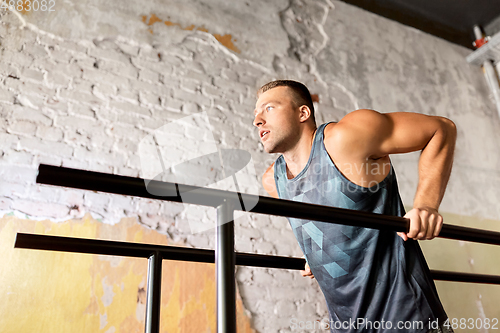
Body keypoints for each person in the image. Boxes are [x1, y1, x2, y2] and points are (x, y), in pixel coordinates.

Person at [254, 80, 457, 333]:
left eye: (269, 108)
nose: (258, 120)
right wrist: (317, 255)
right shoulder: (273, 181)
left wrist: (426, 206)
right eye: (256, 114)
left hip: (405, 314)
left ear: (303, 113)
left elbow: (441, 129)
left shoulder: (346, 137)